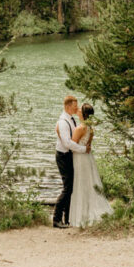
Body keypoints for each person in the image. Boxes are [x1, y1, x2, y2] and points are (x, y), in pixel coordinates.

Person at [68, 103, 112, 227]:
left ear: (83, 113)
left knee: (80, 183)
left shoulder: (80, 128)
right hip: (88, 157)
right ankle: (87, 210)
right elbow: (88, 145)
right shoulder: (90, 128)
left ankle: (81, 214)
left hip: (80, 158)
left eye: (79, 109)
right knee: (88, 182)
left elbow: (72, 145)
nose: (77, 110)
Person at [53, 95, 87, 228]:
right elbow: (67, 143)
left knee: (71, 187)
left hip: (69, 156)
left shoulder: (71, 119)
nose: (77, 108)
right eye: (74, 106)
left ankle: (68, 218)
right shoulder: (62, 122)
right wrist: (83, 149)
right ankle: (56, 219)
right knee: (67, 188)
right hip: (63, 156)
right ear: (67, 107)